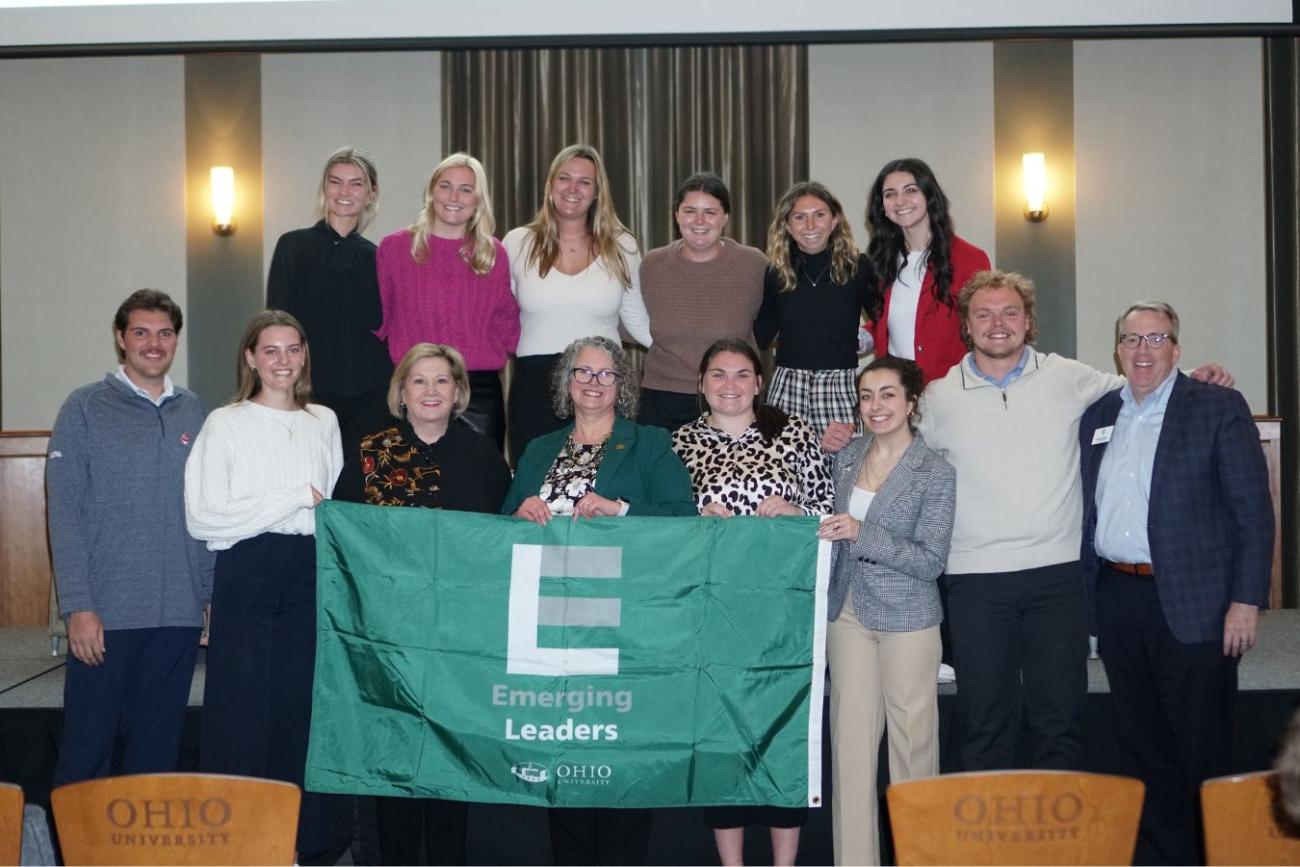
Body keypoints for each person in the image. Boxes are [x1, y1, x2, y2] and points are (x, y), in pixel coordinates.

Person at [918, 269, 1233, 775]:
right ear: (967, 325)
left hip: (1058, 578)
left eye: (1010, 312)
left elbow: (1145, 384)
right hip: (974, 580)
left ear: (1029, 321)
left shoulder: (1069, 377)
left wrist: (1197, 376)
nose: (998, 323)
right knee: (983, 720)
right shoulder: (937, 398)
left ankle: (1061, 850)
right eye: (984, 314)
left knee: (1060, 719)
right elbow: (893, 449)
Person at [1079, 301, 1272, 865]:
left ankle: (1209, 853)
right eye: (1131, 340)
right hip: (1118, 597)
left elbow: (1253, 515)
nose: (1142, 350)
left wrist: (1245, 602)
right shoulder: (1099, 413)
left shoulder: (1216, 406)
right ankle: (1159, 853)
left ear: (1177, 348)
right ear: (1116, 349)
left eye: (1155, 338)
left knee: (1201, 744)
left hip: (1198, 602)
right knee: (1140, 739)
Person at [503, 335, 694, 866]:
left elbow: (684, 519)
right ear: (566, 383)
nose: (592, 381)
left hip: (623, 625)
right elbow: (498, 530)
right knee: (563, 757)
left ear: (622, 385)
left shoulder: (651, 442)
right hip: (552, 625)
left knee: (619, 758)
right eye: (581, 372)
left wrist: (622, 510)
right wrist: (517, 516)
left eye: (605, 373)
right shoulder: (539, 448)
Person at [335, 343, 509, 865]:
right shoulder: (373, 452)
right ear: (401, 392)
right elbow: (347, 533)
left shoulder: (483, 456)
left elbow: (500, 544)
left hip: (459, 638)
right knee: (398, 757)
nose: (430, 391)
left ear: (458, 392)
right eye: (419, 381)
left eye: (441, 382)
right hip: (391, 635)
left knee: (451, 757)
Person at [185, 309, 343, 859]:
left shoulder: (323, 420)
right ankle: (236, 848)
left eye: (293, 349)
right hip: (247, 572)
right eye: (270, 350)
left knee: (300, 711)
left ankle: (297, 848)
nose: (282, 361)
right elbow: (205, 518)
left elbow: (329, 508)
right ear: (250, 358)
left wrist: (304, 502)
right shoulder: (225, 423)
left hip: (307, 572)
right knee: (240, 713)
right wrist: (293, 496)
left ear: (304, 355)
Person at [669, 338, 832, 866]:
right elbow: (664, 532)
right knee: (720, 737)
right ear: (701, 384)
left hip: (781, 610)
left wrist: (796, 509)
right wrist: (694, 524)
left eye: (743, 374)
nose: (731, 385)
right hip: (711, 611)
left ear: (760, 383)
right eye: (718, 374)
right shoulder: (678, 443)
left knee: (781, 730)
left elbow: (828, 510)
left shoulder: (795, 432)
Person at [46, 289, 212, 786]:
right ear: (121, 339)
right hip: (106, 616)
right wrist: (78, 605)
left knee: (156, 754)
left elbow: (205, 513)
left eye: (164, 333)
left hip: (178, 617)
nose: (153, 343)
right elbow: (64, 513)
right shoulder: (84, 408)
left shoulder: (194, 411)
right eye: (141, 332)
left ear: (175, 340)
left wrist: (208, 594)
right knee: (86, 752)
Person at [816, 356, 955, 866]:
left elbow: (931, 560)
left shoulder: (934, 470)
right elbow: (824, 526)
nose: (876, 406)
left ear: (911, 402)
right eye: (867, 395)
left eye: (888, 394)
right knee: (849, 756)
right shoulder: (846, 456)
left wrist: (861, 533)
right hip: (846, 616)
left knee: (913, 751)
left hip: (909, 621)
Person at [503, 144, 652, 464]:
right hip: (535, 385)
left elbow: (637, 320)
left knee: (603, 486)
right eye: (564, 178)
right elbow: (502, 316)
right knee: (534, 488)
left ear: (598, 191)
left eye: (584, 182)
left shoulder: (622, 245)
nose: (573, 189)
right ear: (550, 185)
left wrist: (691, 357)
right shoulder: (517, 242)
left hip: (601, 380)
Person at [375, 153, 520, 451]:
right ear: (431, 192)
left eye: (466, 189)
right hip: (415, 387)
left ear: (479, 199)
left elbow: (509, 329)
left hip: (477, 392)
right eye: (445, 186)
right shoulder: (394, 249)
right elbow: (380, 322)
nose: (454, 197)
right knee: (412, 487)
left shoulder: (494, 254)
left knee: (479, 490)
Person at [268, 147, 392, 440]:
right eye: (335, 181)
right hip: (307, 393)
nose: (344, 191)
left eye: (356, 182)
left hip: (368, 398)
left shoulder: (380, 257)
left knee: (361, 484)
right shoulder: (293, 246)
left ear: (371, 192)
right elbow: (276, 325)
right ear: (325, 188)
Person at [639, 172, 767, 431]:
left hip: (730, 399)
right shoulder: (652, 264)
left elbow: (771, 324)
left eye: (710, 211)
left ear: (725, 217)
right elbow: (629, 322)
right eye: (690, 211)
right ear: (676, 215)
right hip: (662, 399)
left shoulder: (754, 264)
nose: (699, 221)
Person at [754, 181, 880, 442]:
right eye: (800, 217)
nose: (810, 226)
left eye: (819, 215)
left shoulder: (858, 267)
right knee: (784, 473)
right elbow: (761, 334)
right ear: (787, 225)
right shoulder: (776, 271)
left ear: (835, 220)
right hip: (788, 386)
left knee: (843, 472)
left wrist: (867, 341)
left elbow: (885, 321)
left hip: (840, 387)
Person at [864, 157, 991, 387]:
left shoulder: (970, 259)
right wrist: (858, 338)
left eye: (910, 190)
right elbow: (889, 321)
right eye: (890, 194)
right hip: (896, 393)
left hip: (953, 389)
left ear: (929, 197)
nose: (900, 201)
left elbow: (983, 327)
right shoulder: (880, 262)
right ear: (882, 206)